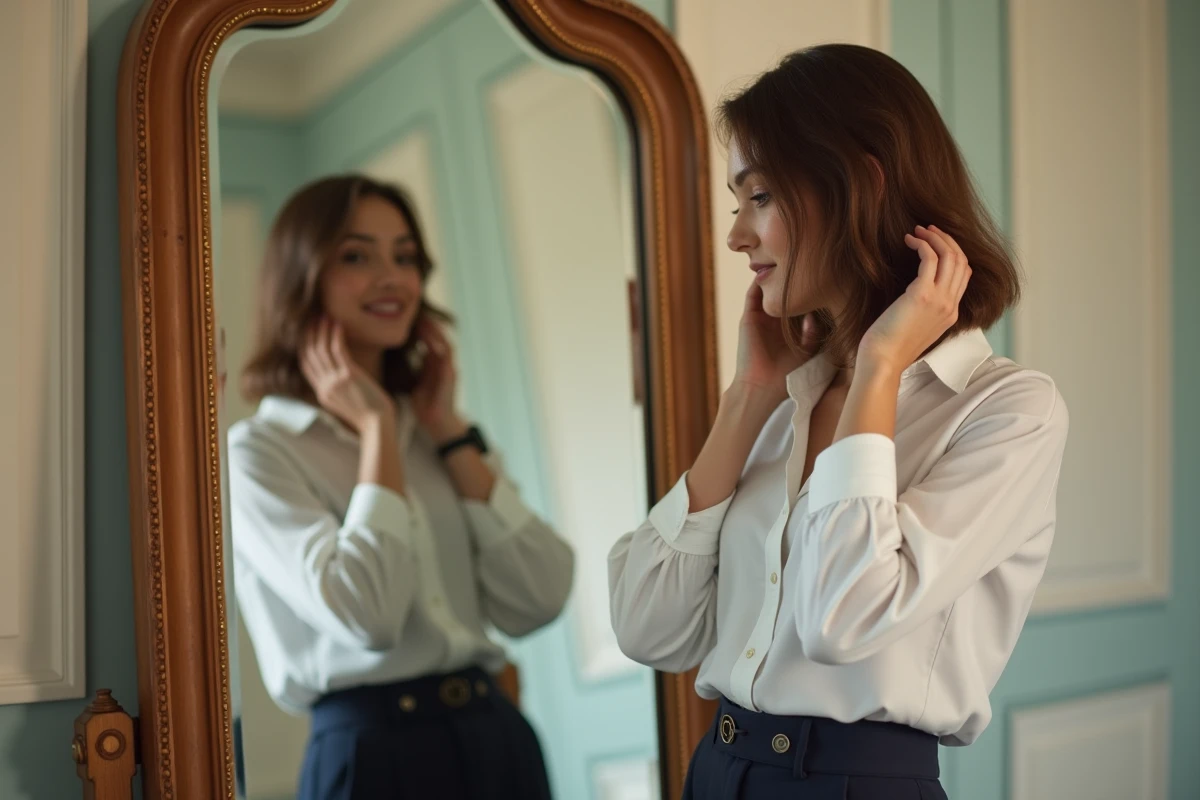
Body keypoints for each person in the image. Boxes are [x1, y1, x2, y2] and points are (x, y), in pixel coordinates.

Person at [609, 44, 1069, 799]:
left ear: (860, 181)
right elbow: (648, 630)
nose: (737, 237)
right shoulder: (782, 397)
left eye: (759, 198)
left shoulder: (1008, 411)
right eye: (737, 204)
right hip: (716, 772)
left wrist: (883, 362)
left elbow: (842, 620)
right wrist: (746, 397)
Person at [228, 174, 573, 800]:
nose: (392, 278)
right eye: (356, 256)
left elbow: (541, 597)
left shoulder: (444, 435)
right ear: (301, 278)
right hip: (371, 757)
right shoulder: (261, 451)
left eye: (405, 257)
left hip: (497, 739)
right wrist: (376, 430)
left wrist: (447, 434)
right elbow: (368, 616)